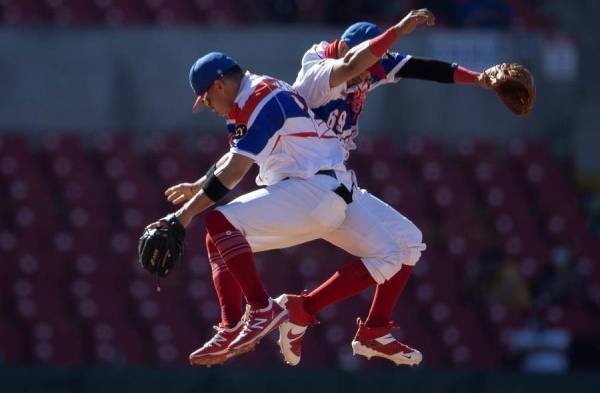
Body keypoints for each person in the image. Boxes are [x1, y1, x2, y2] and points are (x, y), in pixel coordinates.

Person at [165, 10, 434, 367]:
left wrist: (181, 218)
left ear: (218, 85)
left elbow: (235, 170)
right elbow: (235, 158)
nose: (209, 107)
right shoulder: (251, 99)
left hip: (312, 191)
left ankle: (262, 310)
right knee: (394, 252)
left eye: (206, 99)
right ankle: (238, 326)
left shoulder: (261, 96)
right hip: (329, 191)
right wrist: (199, 186)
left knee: (218, 224)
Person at [276, 12, 494, 367]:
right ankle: (304, 309)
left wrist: (480, 79)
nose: (370, 74)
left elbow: (424, 68)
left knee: (409, 242)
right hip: (307, 184)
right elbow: (352, 65)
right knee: (389, 256)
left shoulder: (368, 61)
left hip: (336, 182)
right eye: (368, 61)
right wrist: (396, 31)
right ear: (347, 49)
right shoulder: (317, 73)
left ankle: (374, 331)